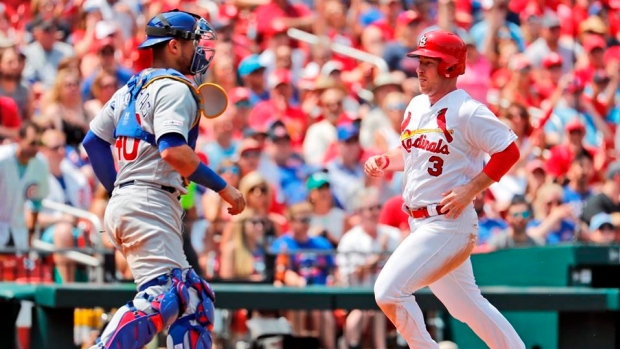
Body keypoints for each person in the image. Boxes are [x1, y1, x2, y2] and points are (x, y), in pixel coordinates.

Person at [82, 10, 246, 349]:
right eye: (194, 42)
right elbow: (173, 151)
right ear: (174, 45)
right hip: (148, 202)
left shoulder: (131, 87)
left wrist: (120, 192)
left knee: (195, 302)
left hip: (140, 200)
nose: (201, 50)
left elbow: (94, 142)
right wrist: (224, 188)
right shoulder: (175, 88)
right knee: (166, 294)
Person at [364, 30, 525, 349]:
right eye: (419, 62)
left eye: (429, 62)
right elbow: (411, 153)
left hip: (447, 222)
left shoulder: (468, 110)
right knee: (466, 306)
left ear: (450, 67)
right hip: (421, 222)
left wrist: (472, 189)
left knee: (388, 292)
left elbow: (508, 151)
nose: (419, 69)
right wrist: (386, 159)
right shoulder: (415, 105)